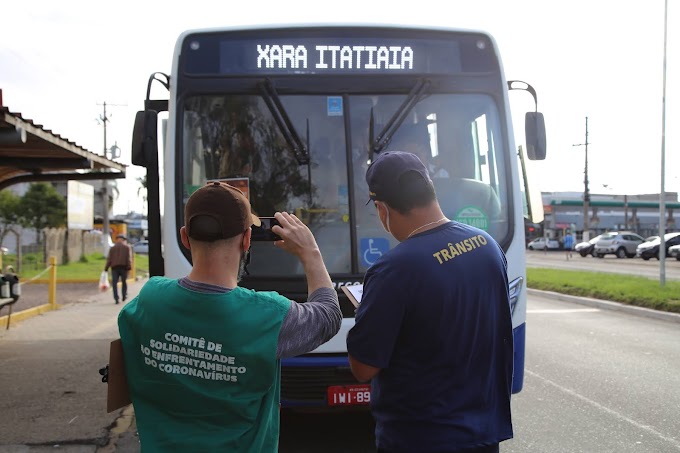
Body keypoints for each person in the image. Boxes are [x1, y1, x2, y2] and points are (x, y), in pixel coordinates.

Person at [117, 181, 342, 452]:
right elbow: (328, 315)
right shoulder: (268, 315)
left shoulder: (150, 298)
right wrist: (311, 254)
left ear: (185, 237)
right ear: (247, 239)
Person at [346, 151, 513, 453]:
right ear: (430, 190)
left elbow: (363, 368)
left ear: (382, 209)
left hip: (420, 438)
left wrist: (369, 314)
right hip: (484, 433)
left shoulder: (393, 269)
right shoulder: (487, 245)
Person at [104, 234, 132, 304]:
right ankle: (124, 296)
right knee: (124, 282)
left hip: (114, 268)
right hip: (123, 268)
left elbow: (109, 259)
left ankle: (116, 298)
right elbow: (128, 259)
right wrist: (129, 268)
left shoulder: (112, 248)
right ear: (123, 240)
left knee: (114, 283)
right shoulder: (126, 248)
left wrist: (106, 268)